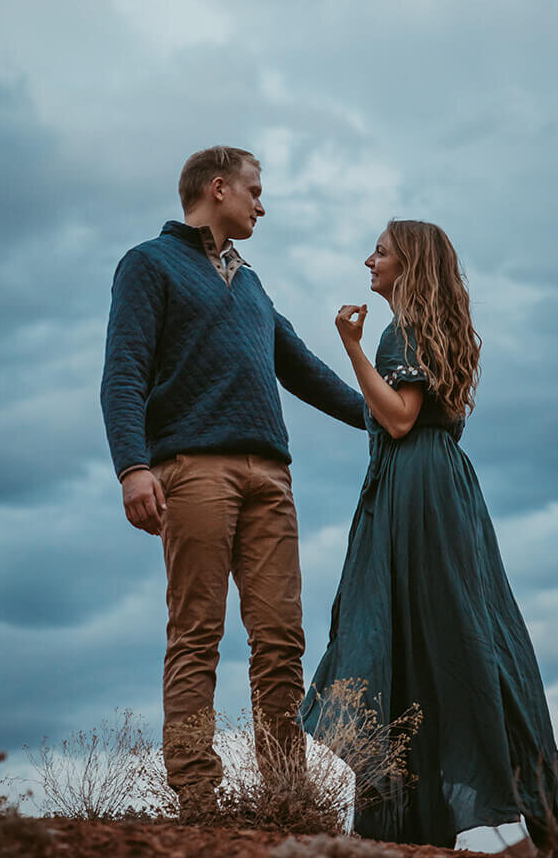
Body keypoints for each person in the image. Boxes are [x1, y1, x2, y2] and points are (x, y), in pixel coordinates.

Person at [101, 145, 366, 821]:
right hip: (192, 471)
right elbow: (124, 371)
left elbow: (302, 368)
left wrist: (383, 420)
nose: (261, 203)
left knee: (280, 639)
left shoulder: (249, 281)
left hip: (270, 476)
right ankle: (197, 796)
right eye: (254, 190)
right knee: (197, 632)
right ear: (217, 189)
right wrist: (133, 466)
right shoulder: (148, 264)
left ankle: (285, 795)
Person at [300, 219, 558, 849]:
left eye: (381, 252)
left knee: (405, 636)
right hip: (445, 491)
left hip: (416, 494)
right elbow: (396, 412)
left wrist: (350, 345)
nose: (368, 259)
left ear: (409, 265)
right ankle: (544, 808)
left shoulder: (403, 329)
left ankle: (412, 818)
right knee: (463, 635)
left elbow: (397, 420)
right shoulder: (440, 328)